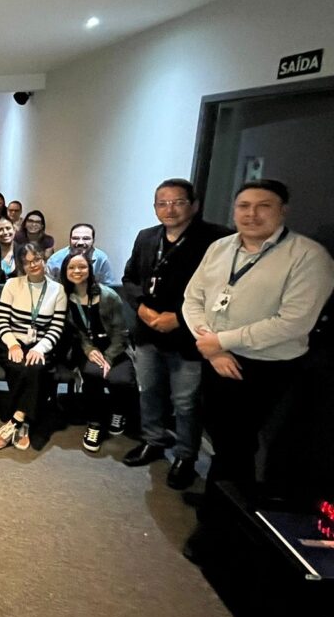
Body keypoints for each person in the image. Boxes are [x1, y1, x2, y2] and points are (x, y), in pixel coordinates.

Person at [183, 179, 334, 496]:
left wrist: (221, 342)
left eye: (263, 206)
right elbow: (192, 299)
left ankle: (221, 527)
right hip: (215, 357)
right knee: (222, 437)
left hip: (266, 368)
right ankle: (221, 499)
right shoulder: (220, 248)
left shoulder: (308, 257)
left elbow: (293, 322)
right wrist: (212, 347)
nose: (252, 214)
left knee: (239, 445)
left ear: (283, 211)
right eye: (244, 206)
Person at [120, 178, 232, 488]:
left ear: (194, 205)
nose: (169, 209)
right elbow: (129, 278)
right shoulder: (146, 237)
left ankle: (186, 456)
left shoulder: (218, 240)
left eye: (177, 202)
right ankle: (154, 440)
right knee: (149, 391)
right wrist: (142, 308)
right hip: (148, 333)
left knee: (186, 402)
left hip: (189, 338)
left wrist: (179, 319)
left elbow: (224, 292)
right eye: (162, 203)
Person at [0, 244, 67, 451]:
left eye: (36, 260)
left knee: (35, 368)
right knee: (18, 367)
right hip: (11, 341)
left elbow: (56, 327)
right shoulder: (12, 285)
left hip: (41, 344)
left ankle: (16, 420)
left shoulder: (57, 290)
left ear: (44, 259)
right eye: (27, 262)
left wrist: (40, 348)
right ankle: (24, 421)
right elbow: (2, 321)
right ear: (22, 265)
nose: (33, 265)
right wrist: (13, 344)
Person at [60, 251, 137, 452]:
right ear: (65, 271)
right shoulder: (65, 299)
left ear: (90, 269)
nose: (77, 271)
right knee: (92, 373)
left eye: (82, 267)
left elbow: (121, 333)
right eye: (72, 267)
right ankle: (95, 422)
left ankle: (118, 411)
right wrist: (89, 350)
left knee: (120, 380)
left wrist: (109, 357)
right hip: (88, 349)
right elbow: (77, 333)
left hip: (115, 347)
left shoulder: (108, 296)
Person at [46, 224, 117, 284]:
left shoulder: (101, 258)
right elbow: (48, 287)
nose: (80, 242)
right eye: (75, 238)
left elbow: (109, 286)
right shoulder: (55, 259)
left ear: (93, 241)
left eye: (86, 238)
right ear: (70, 240)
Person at [0, 215, 20, 281]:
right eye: (0, 230)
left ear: (14, 230)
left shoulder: (22, 251)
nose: (5, 232)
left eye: (8, 228)